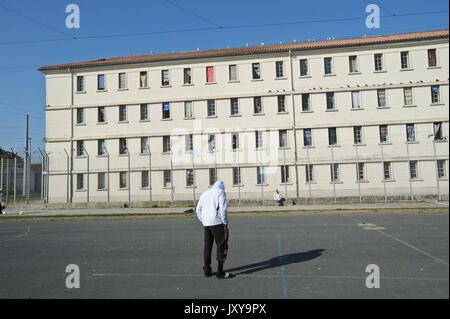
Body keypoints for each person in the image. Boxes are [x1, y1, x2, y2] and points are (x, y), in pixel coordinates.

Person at [196, 181, 234, 279]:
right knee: (222, 245)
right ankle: (220, 272)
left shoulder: (205, 193)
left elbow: (198, 209)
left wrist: (203, 220)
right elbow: (223, 209)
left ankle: (207, 270)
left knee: (207, 247)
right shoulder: (220, 192)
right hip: (217, 222)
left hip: (206, 224)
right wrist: (225, 222)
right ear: (222, 187)